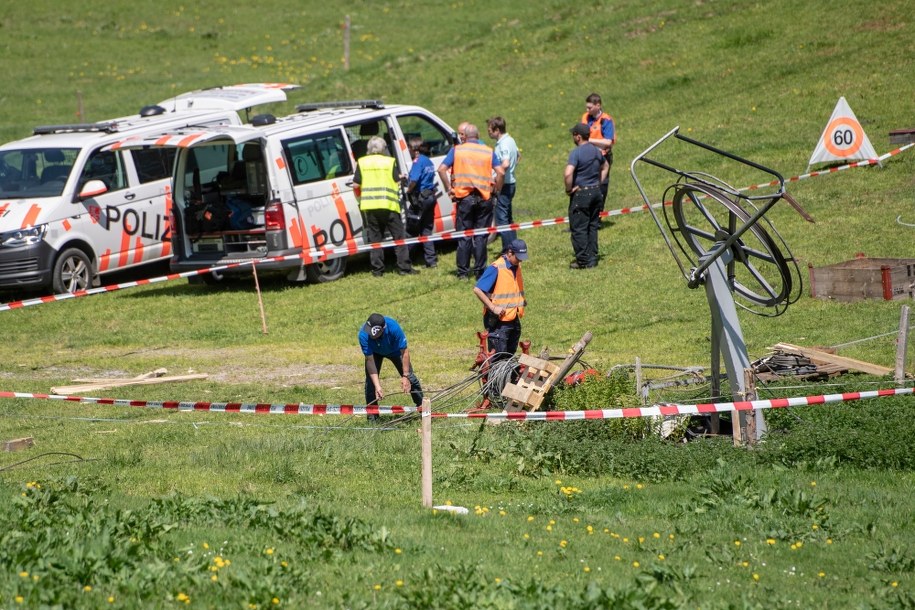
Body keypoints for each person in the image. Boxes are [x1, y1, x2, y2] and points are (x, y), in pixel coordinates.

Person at [437, 124, 505, 279]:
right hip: (484, 198)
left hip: (464, 198)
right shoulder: (488, 151)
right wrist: (496, 189)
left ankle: (463, 273)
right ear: (478, 135)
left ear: (465, 137)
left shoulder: (457, 150)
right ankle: (480, 271)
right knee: (481, 236)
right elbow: (500, 172)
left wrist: (449, 188)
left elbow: (441, 169)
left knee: (464, 235)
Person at [353, 136, 418, 277]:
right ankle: (404, 268)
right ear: (383, 148)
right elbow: (396, 181)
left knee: (375, 239)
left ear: (369, 148)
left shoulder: (362, 162)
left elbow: (356, 185)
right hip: (389, 205)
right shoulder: (389, 162)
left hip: (370, 206)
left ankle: (377, 270)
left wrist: (360, 200)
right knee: (399, 237)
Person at [358, 313, 424, 421]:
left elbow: (405, 352)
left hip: (395, 352)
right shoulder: (363, 335)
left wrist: (405, 376)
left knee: (411, 379)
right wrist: (377, 386)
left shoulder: (394, 328)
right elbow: (370, 360)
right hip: (375, 353)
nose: (369, 334)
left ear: (382, 329)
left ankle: (424, 410)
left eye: (372, 332)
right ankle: (372, 417)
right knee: (370, 384)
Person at [473, 238, 528, 362]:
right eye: (518, 257)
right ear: (510, 253)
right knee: (499, 359)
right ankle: (497, 381)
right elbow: (477, 289)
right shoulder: (496, 268)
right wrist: (493, 307)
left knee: (509, 357)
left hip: (513, 318)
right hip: (498, 322)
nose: (520, 260)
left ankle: (508, 379)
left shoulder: (516, 266)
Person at [564, 124, 608, 269]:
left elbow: (568, 173)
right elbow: (606, 166)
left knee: (579, 228)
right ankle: (593, 256)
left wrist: (569, 189)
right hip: (596, 192)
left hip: (582, 194)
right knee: (592, 226)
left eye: (573, 135)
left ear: (578, 136)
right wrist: (598, 182)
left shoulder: (576, 153)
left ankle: (583, 260)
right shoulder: (596, 151)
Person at [487, 116, 520, 251]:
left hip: (505, 185)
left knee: (502, 220)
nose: (488, 133)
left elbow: (505, 163)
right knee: (508, 218)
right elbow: (518, 156)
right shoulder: (510, 140)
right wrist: (512, 169)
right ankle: (515, 246)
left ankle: (508, 249)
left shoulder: (503, 144)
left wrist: (497, 175)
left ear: (497, 130)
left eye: (489, 130)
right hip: (511, 182)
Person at [405, 137, 438, 268]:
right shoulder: (428, 161)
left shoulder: (417, 161)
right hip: (430, 197)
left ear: (415, 150)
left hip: (420, 199)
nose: (408, 151)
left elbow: (414, 180)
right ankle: (431, 261)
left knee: (411, 230)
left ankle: (405, 261)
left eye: (409, 148)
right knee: (426, 229)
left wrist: (408, 190)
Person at [580, 93, 616, 211]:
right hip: (588, 157)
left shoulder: (606, 120)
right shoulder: (585, 117)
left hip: (602, 158)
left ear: (598, 105)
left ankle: (597, 217)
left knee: (601, 187)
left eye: (589, 107)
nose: (587, 110)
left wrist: (588, 140)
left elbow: (608, 142)